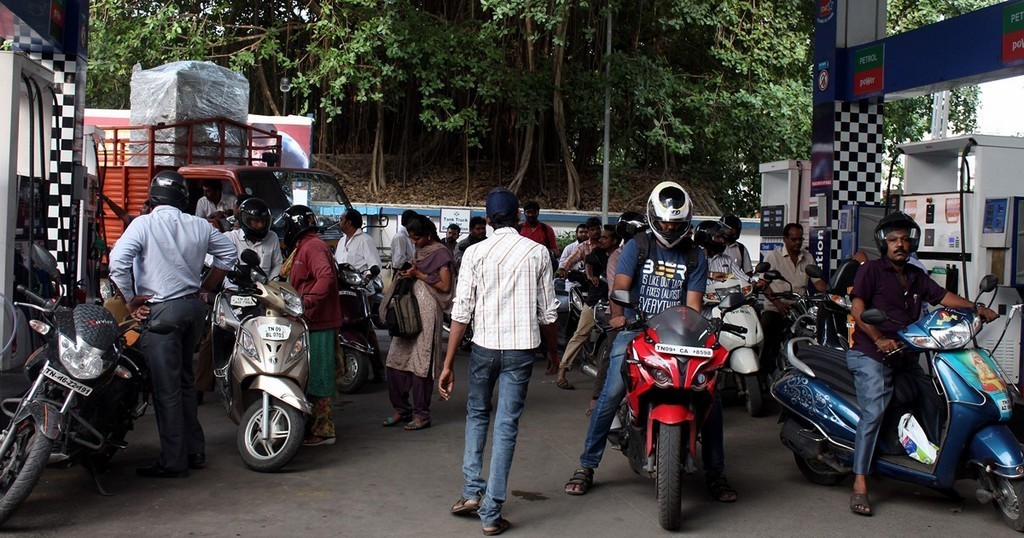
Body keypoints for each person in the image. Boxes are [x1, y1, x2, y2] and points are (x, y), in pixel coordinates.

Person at [564, 181, 737, 503]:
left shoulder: (695, 255)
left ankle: (716, 472)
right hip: (636, 329)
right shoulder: (637, 246)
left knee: (711, 395)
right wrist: (620, 316)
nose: (670, 228)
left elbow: (694, 304)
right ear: (654, 218)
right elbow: (621, 287)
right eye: (665, 222)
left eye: (677, 223)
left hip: (679, 334)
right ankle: (587, 465)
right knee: (612, 390)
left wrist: (700, 328)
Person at [846, 211, 996, 516]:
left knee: (933, 399)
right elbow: (858, 308)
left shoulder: (915, 275)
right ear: (883, 243)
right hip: (871, 352)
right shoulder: (871, 270)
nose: (899, 244)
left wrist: (975, 307)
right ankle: (860, 482)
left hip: (905, 352)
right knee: (874, 408)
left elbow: (943, 296)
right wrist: (878, 339)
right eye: (893, 240)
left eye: (904, 239)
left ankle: (937, 469)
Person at [439, 187, 559, 536]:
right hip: (521, 351)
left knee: (477, 414)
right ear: (521, 218)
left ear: (488, 219)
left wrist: (447, 364)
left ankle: (471, 492)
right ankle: (492, 512)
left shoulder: (475, 254)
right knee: (506, 425)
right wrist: (553, 352)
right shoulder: (538, 253)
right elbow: (548, 313)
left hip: (483, 349)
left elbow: (461, 312)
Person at [108, 170, 236, 478]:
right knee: (184, 384)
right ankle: (194, 450)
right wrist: (206, 287)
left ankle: (173, 461)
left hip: (162, 312)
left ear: (153, 198)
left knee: (166, 391)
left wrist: (130, 301)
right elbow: (229, 254)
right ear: (184, 198)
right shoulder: (198, 225)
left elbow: (117, 263)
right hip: (193, 310)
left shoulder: (144, 224)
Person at [195, 197, 284, 397]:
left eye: (261, 221)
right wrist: (226, 266)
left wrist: (272, 281)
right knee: (213, 336)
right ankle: (199, 387)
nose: (258, 225)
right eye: (253, 221)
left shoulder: (272, 239)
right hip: (231, 295)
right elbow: (209, 257)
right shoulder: (229, 238)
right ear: (244, 220)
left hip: (261, 297)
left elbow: (278, 265)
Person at [277, 205, 344, 446]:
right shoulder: (304, 246)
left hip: (318, 322)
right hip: (307, 322)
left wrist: (307, 303)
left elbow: (325, 276)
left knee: (319, 376)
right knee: (307, 375)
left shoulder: (312, 246)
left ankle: (323, 431)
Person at [381, 215, 455, 431]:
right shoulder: (420, 251)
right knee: (396, 361)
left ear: (428, 235)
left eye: (417, 239)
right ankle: (402, 409)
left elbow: (444, 285)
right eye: (412, 239)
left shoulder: (441, 253)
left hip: (428, 312)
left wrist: (419, 274)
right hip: (409, 311)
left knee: (421, 364)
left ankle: (422, 414)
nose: (414, 243)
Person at [555, 225, 621, 390]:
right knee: (580, 333)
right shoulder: (597, 253)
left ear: (614, 240)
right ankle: (562, 372)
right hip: (595, 300)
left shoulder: (622, 256)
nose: (601, 239)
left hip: (617, 303)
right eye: (601, 236)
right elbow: (588, 263)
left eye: (606, 237)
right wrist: (590, 276)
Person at [759, 223, 827, 372]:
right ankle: (763, 372)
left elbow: (818, 283)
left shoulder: (807, 257)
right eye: (793, 239)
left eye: (800, 239)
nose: (797, 242)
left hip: (799, 309)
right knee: (768, 332)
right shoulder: (774, 257)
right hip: (776, 308)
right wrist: (778, 304)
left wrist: (831, 292)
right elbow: (763, 284)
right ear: (785, 239)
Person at [335, 208, 383, 274]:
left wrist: (365, 279)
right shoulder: (341, 240)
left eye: (341, 219)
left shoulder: (365, 240)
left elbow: (375, 266)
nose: (339, 222)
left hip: (359, 282)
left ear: (348, 223)